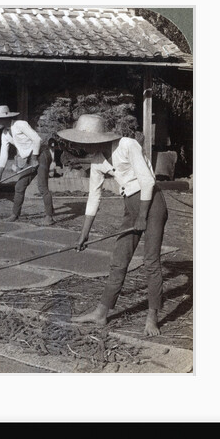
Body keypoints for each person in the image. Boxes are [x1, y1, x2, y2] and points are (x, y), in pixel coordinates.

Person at [57, 114, 168, 336]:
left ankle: (152, 317)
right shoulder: (97, 160)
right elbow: (93, 197)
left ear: (100, 138)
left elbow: (147, 181)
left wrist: (143, 216)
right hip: (131, 207)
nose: (84, 147)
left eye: (87, 142)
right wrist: (84, 234)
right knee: (119, 260)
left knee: (150, 262)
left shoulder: (127, 145)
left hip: (152, 204)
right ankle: (101, 313)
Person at [0, 105, 54, 226]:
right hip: (28, 158)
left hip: (41, 154)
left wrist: (34, 159)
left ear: (6, 118)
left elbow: (37, 139)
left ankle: (49, 216)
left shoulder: (20, 124)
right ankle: (15, 214)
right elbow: (3, 153)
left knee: (42, 187)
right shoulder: (5, 134)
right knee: (19, 187)